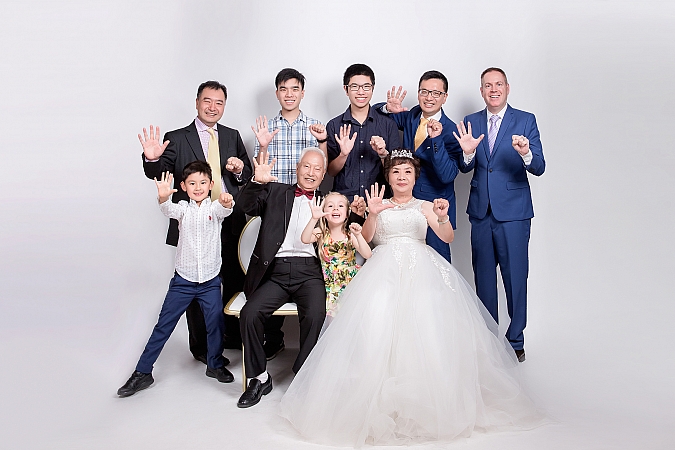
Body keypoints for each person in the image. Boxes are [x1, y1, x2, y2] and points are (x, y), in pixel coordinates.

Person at [279, 150, 543, 446]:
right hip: (382, 269)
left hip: (421, 267)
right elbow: (367, 238)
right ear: (388, 178)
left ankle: (428, 400)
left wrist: (442, 217)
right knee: (377, 325)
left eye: (407, 172)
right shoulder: (379, 204)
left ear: (415, 177)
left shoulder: (426, 206)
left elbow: (446, 237)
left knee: (425, 325)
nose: (402, 177)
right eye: (396, 172)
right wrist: (373, 213)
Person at [139, 80, 252, 363]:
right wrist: (152, 161)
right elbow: (160, 173)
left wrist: (239, 170)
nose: (213, 107)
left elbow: (247, 174)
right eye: (207, 101)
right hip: (192, 225)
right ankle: (201, 348)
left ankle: (230, 339)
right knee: (196, 284)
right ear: (197, 102)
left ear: (224, 106)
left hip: (228, 219)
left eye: (219, 102)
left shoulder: (232, 135)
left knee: (234, 280)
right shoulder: (177, 138)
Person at [117, 162, 236, 397]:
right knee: (164, 325)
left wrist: (226, 202)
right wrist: (163, 198)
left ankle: (214, 364)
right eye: (192, 183)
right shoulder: (182, 209)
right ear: (183, 186)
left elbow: (226, 209)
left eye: (203, 183)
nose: (198, 187)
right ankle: (142, 372)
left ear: (211, 184)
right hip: (183, 281)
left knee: (215, 323)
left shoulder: (214, 209)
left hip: (210, 281)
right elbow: (167, 209)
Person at [453, 68, 545, 362]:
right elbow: (465, 167)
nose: (493, 89)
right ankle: (488, 340)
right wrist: (467, 154)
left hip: (514, 212)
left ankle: (515, 340)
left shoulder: (525, 120)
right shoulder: (471, 121)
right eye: (487, 85)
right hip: (481, 211)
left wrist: (526, 153)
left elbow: (539, 166)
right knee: (483, 279)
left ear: (507, 88)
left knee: (515, 277)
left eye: (498, 84)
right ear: (481, 91)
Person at [235, 147, 329, 408]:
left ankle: (303, 374)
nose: (311, 173)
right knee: (250, 314)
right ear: (297, 169)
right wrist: (256, 182)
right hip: (274, 271)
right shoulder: (276, 192)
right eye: (306, 166)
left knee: (315, 315)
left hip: (310, 272)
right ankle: (259, 377)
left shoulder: (328, 201)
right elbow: (245, 206)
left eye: (317, 169)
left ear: (323, 175)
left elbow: (344, 226)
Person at [250, 68, 329, 360]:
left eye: (295, 89)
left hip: (307, 204)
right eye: (284, 89)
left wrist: (323, 142)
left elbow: (321, 166)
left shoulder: (314, 127)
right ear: (277, 93)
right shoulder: (268, 127)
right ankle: (273, 339)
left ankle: (306, 363)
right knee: (273, 266)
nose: (289, 94)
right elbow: (260, 170)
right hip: (275, 205)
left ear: (302, 93)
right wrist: (262, 146)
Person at [375, 70, 462, 262]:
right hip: (404, 203)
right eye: (424, 91)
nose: (429, 98)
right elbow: (375, 115)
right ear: (418, 93)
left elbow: (447, 175)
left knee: (437, 264)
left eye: (436, 93)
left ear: (445, 97)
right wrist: (388, 108)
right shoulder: (412, 115)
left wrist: (436, 139)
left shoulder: (452, 131)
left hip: (435, 205)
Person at [326, 63, 401, 200]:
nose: (361, 92)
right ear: (346, 89)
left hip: (379, 201)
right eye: (355, 87)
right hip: (344, 202)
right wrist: (343, 154)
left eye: (366, 87)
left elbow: (397, 172)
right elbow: (331, 171)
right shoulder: (334, 125)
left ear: (372, 88)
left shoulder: (388, 125)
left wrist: (383, 154)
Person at [300, 193, 372, 322]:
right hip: (330, 284)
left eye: (340, 206)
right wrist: (314, 219)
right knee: (332, 321)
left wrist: (358, 235)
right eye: (330, 206)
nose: (335, 208)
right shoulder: (321, 233)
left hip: (350, 282)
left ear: (347, 213)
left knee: (351, 318)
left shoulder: (349, 234)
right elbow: (305, 239)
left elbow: (367, 254)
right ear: (324, 212)